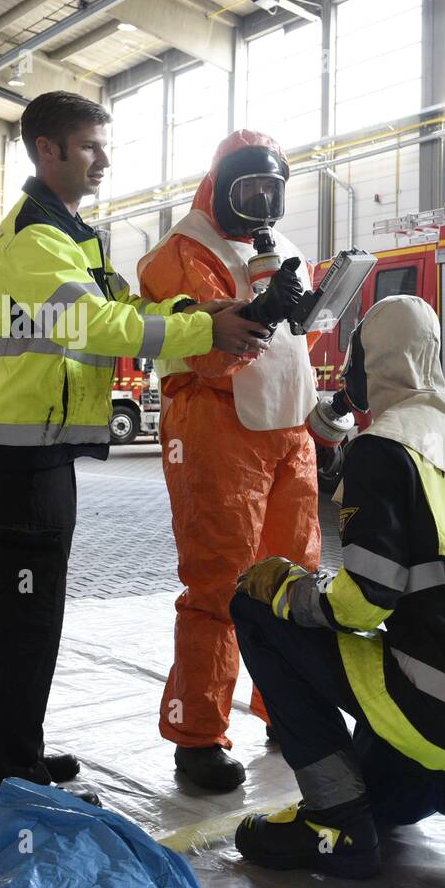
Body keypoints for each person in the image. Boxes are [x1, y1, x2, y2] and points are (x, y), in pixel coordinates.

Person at [0, 92, 269, 826]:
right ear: (47, 150)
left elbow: (127, 309)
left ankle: (1, 751)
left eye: (104, 145)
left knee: (16, 612)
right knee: (26, 616)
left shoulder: (70, 235)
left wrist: (205, 318)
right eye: (90, 146)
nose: (104, 159)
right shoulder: (37, 239)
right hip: (19, 456)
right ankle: (10, 779)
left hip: (33, 449)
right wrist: (205, 333)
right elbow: (100, 326)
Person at [228, 295, 445, 881]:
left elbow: (361, 603)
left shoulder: (386, 448)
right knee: (384, 805)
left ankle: (333, 823)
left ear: (372, 366)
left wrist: (290, 588)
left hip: (438, 706)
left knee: (254, 609)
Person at [137, 131, 318, 791]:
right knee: (220, 584)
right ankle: (198, 734)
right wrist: (259, 313)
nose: (264, 203)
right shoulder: (181, 253)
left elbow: (299, 339)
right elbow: (209, 349)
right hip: (216, 428)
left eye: (273, 190)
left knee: (295, 580)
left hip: (289, 432)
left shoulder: (287, 248)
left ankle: (289, 707)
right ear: (221, 187)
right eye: (251, 191)